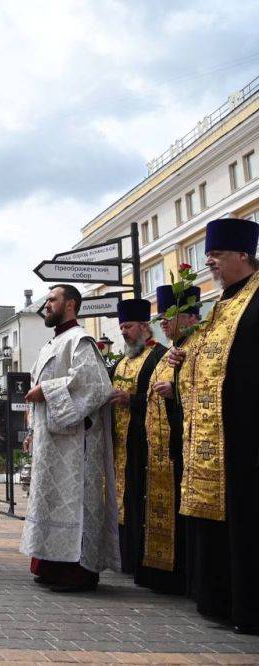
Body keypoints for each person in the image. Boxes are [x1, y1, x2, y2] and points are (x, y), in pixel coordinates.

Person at [170, 218, 259, 634]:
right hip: (216, 433)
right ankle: (220, 601)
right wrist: (182, 365)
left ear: (243, 255)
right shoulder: (220, 306)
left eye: (217, 257)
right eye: (209, 259)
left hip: (247, 431)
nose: (211, 265)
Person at [21, 284, 119, 593]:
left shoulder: (80, 341)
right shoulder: (54, 343)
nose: (46, 305)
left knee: (71, 504)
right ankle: (49, 566)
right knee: (50, 501)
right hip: (52, 442)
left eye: (52, 300)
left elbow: (95, 386)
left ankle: (75, 573)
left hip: (74, 447)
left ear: (71, 305)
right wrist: (33, 431)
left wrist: (45, 391)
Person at [140, 284, 200, 595]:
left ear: (189, 317)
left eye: (168, 317)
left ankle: (184, 578)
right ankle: (166, 575)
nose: (163, 323)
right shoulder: (168, 354)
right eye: (161, 318)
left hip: (187, 448)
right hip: (160, 451)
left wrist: (173, 391)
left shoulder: (191, 347)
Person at [108, 299, 167, 575]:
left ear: (145, 327)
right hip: (121, 444)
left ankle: (139, 560)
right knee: (122, 499)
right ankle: (123, 557)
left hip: (146, 445)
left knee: (138, 500)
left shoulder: (160, 357)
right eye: (121, 326)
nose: (123, 332)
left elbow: (166, 399)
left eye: (128, 326)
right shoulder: (121, 362)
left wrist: (131, 400)